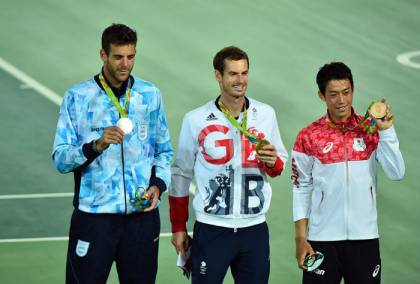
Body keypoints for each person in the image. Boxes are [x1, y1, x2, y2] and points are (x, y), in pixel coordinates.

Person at [52, 23, 173, 284]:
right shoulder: (78, 97)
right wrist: (94, 146)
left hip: (142, 219)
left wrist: (158, 184)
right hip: (95, 219)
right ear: (103, 55)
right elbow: (60, 159)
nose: (125, 64)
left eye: (131, 57)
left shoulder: (149, 95)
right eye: (118, 57)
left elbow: (164, 151)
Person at [169, 46, 288, 284]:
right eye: (233, 74)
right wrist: (178, 226)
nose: (240, 80)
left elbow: (278, 165)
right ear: (218, 75)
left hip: (254, 229)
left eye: (244, 73)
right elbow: (181, 174)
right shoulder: (195, 119)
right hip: (212, 229)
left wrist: (273, 161)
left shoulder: (266, 114)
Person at [292, 62, 405, 283]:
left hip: (365, 239)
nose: (341, 100)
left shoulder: (370, 131)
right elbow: (301, 187)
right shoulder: (308, 136)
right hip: (321, 240)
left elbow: (397, 172)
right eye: (333, 94)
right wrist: (300, 237)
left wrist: (387, 131)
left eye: (346, 92)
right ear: (321, 95)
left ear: (353, 90)